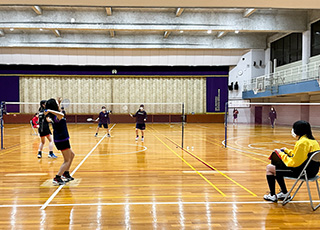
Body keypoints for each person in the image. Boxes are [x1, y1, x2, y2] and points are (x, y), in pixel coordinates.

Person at [264, 120, 320, 202]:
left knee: (270, 168)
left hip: (302, 172)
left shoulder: (302, 142)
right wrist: (286, 151)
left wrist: (281, 154)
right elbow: (299, 155)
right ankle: (284, 192)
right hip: (311, 171)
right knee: (276, 164)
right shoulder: (313, 141)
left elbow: (294, 163)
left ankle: (273, 195)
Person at [45, 98, 75, 185]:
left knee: (72, 155)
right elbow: (61, 114)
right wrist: (50, 109)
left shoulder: (53, 114)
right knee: (67, 160)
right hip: (61, 139)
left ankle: (66, 174)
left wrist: (58, 102)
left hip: (63, 138)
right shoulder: (56, 116)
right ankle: (57, 178)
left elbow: (58, 111)